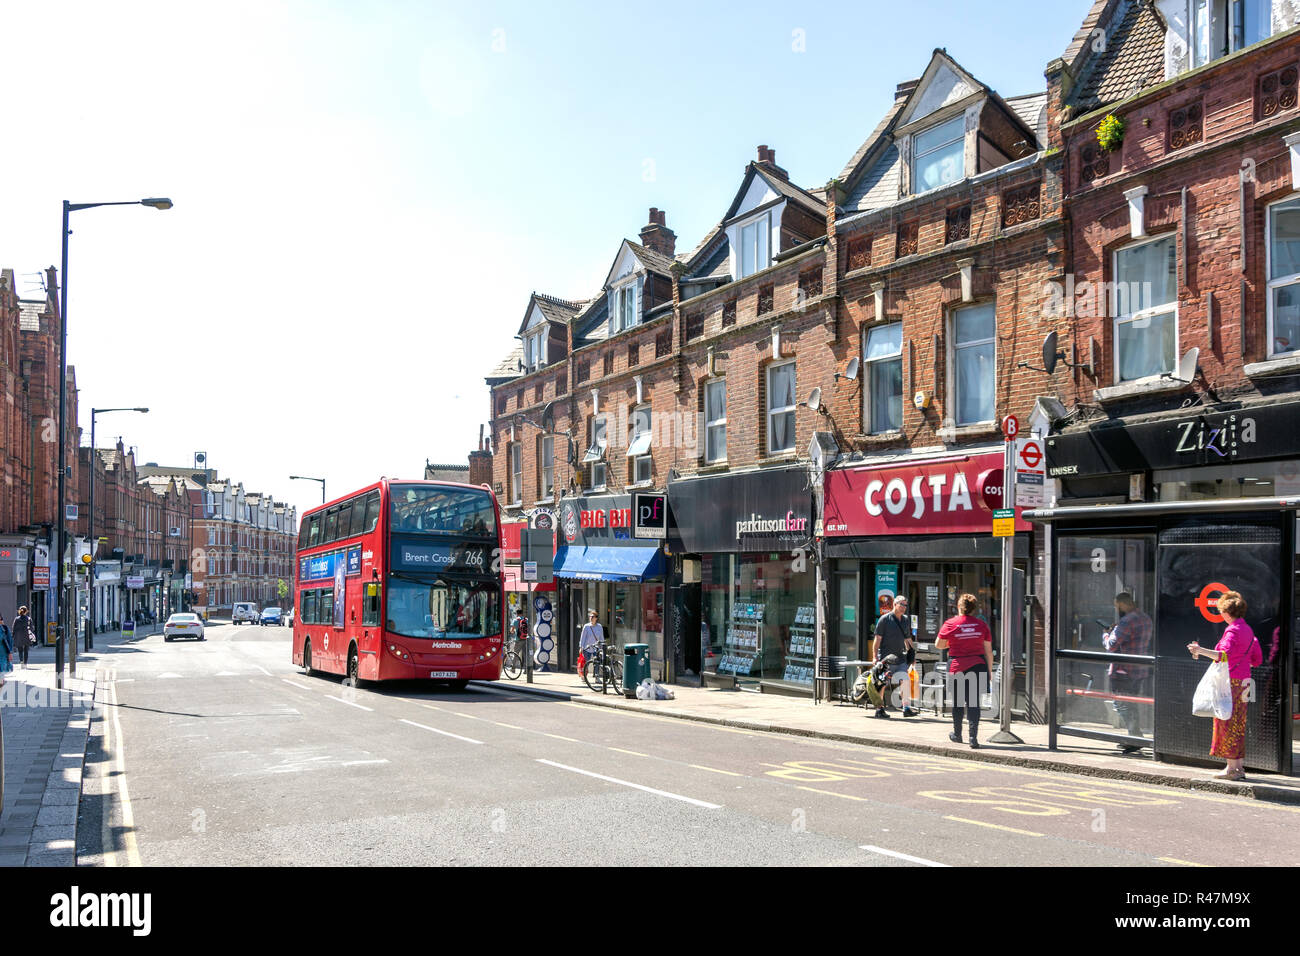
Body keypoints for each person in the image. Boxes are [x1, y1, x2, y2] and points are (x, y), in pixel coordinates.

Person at [1188, 590, 1261, 782]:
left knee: (1225, 721)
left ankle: (1230, 768)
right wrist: (1242, 663)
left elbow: (1223, 656)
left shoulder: (1232, 630)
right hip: (1245, 682)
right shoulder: (1248, 630)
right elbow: (1257, 659)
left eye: (1221, 612)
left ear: (1226, 613)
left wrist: (1199, 650)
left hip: (1229, 683)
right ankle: (1238, 767)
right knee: (1238, 723)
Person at [935, 593, 994, 748]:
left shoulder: (950, 623)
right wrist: (989, 672)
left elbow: (938, 645)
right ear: (974, 608)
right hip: (978, 664)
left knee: (958, 703)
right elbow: (988, 651)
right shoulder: (982, 625)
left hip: (957, 665)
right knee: (974, 703)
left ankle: (957, 734)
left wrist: (952, 643)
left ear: (959, 607)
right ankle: (973, 738)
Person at [1103, 592, 1153, 753]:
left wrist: (1105, 634)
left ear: (1123, 604)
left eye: (1117, 606)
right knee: (1131, 703)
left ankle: (1134, 737)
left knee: (1122, 704)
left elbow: (1111, 645)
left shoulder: (1126, 621)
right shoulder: (1145, 618)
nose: (1117, 609)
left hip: (1123, 671)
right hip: (1139, 670)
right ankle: (1135, 737)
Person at [872, 596, 917, 718]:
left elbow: (908, 638)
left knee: (905, 681)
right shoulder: (885, 619)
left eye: (905, 605)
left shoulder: (905, 620)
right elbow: (877, 640)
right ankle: (879, 709)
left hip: (901, 658)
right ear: (895, 604)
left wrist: (912, 655)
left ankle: (906, 708)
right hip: (886, 659)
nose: (904, 607)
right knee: (882, 684)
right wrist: (875, 657)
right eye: (901, 604)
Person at [0, 613, 12, 686]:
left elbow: (9, 642)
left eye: (1, 619)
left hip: (3, 655)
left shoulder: (5, 629)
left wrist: (9, 653)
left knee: (1, 677)